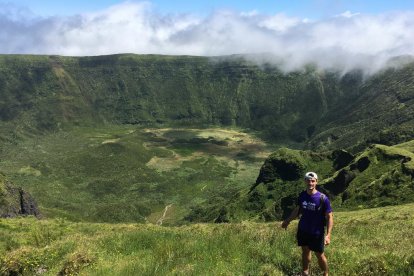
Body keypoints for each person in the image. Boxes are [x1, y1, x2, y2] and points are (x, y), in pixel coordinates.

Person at [281, 172, 333, 276]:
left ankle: (325, 273)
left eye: (313, 181)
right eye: (308, 181)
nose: (310, 183)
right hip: (303, 229)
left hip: (316, 232)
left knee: (319, 254)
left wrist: (328, 235)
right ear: (305, 181)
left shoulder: (323, 199)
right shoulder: (302, 195)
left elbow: (329, 217)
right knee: (305, 251)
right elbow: (298, 210)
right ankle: (305, 272)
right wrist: (287, 221)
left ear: (316, 182)